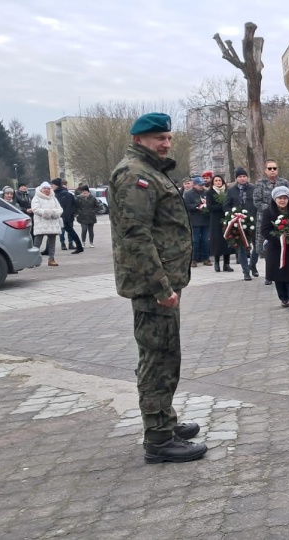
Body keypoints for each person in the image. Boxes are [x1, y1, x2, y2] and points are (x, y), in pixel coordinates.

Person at [109, 112, 206, 463]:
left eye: (168, 137)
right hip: (154, 286)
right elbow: (137, 235)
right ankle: (159, 439)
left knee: (165, 355)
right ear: (139, 140)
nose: (165, 144)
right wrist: (161, 286)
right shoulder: (136, 174)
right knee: (158, 359)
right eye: (158, 139)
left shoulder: (151, 171)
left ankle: (164, 421)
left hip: (162, 282)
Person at [260, 186, 289, 310]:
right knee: (279, 276)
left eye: (285, 198)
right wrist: (280, 239)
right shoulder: (268, 212)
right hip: (277, 249)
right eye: (280, 198)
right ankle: (284, 298)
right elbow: (265, 230)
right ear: (275, 199)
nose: (282, 200)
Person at [253, 160, 289, 284]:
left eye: (274, 168)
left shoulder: (284, 183)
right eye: (269, 168)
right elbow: (257, 201)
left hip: (283, 217)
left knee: (283, 245)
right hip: (266, 218)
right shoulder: (260, 184)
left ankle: (284, 271)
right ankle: (269, 275)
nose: (272, 170)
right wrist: (271, 209)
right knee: (268, 247)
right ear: (265, 170)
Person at [224, 167, 258, 281]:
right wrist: (232, 215)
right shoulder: (231, 190)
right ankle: (246, 272)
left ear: (247, 177)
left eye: (244, 176)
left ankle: (252, 264)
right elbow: (226, 205)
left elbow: (258, 202)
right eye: (240, 177)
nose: (242, 179)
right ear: (236, 178)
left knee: (257, 246)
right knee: (241, 248)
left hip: (253, 220)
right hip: (238, 222)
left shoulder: (254, 188)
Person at [206, 174, 234, 272]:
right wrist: (222, 206)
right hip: (215, 220)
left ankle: (227, 264)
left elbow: (231, 203)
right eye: (216, 180)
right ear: (213, 182)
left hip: (226, 218)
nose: (218, 182)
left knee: (227, 240)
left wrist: (227, 208)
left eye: (220, 180)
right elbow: (209, 207)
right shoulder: (210, 193)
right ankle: (217, 263)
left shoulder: (227, 191)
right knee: (217, 241)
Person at [31, 182, 63, 266]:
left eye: (48, 188)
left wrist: (56, 213)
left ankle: (51, 259)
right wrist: (45, 212)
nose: (46, 190)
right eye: (44, 188)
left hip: (53, 223)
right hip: (41, 223)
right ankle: (32, 260)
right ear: (41, 189)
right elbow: (35, 209)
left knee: (52, 242)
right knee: (37, 242)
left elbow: (59, 208)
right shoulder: (36, 197)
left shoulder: (53, 198)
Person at [184, 177, 211, 267]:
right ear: (194, 185)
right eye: (200, 185)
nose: (202, 186)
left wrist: (207, 207)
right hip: (195, 220)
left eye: (203, 184)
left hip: (205, 220)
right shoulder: (188, 194)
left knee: (205, 240)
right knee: (195, 241)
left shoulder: (207, 192)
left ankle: (206, 258)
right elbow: (186, 205)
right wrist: (197, 206)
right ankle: (194, 259)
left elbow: (211, 203)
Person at [52, 178, 84, 254]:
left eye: (53, 184)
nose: (52, 186)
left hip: (65, 217)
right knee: (51, 233)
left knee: (70, 231)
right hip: (59, 215)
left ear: (57, 185)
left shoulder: (64, 194)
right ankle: (48, 249)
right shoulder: (56, 193)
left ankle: (79, 246)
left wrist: (67, 216)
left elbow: (68, 206)